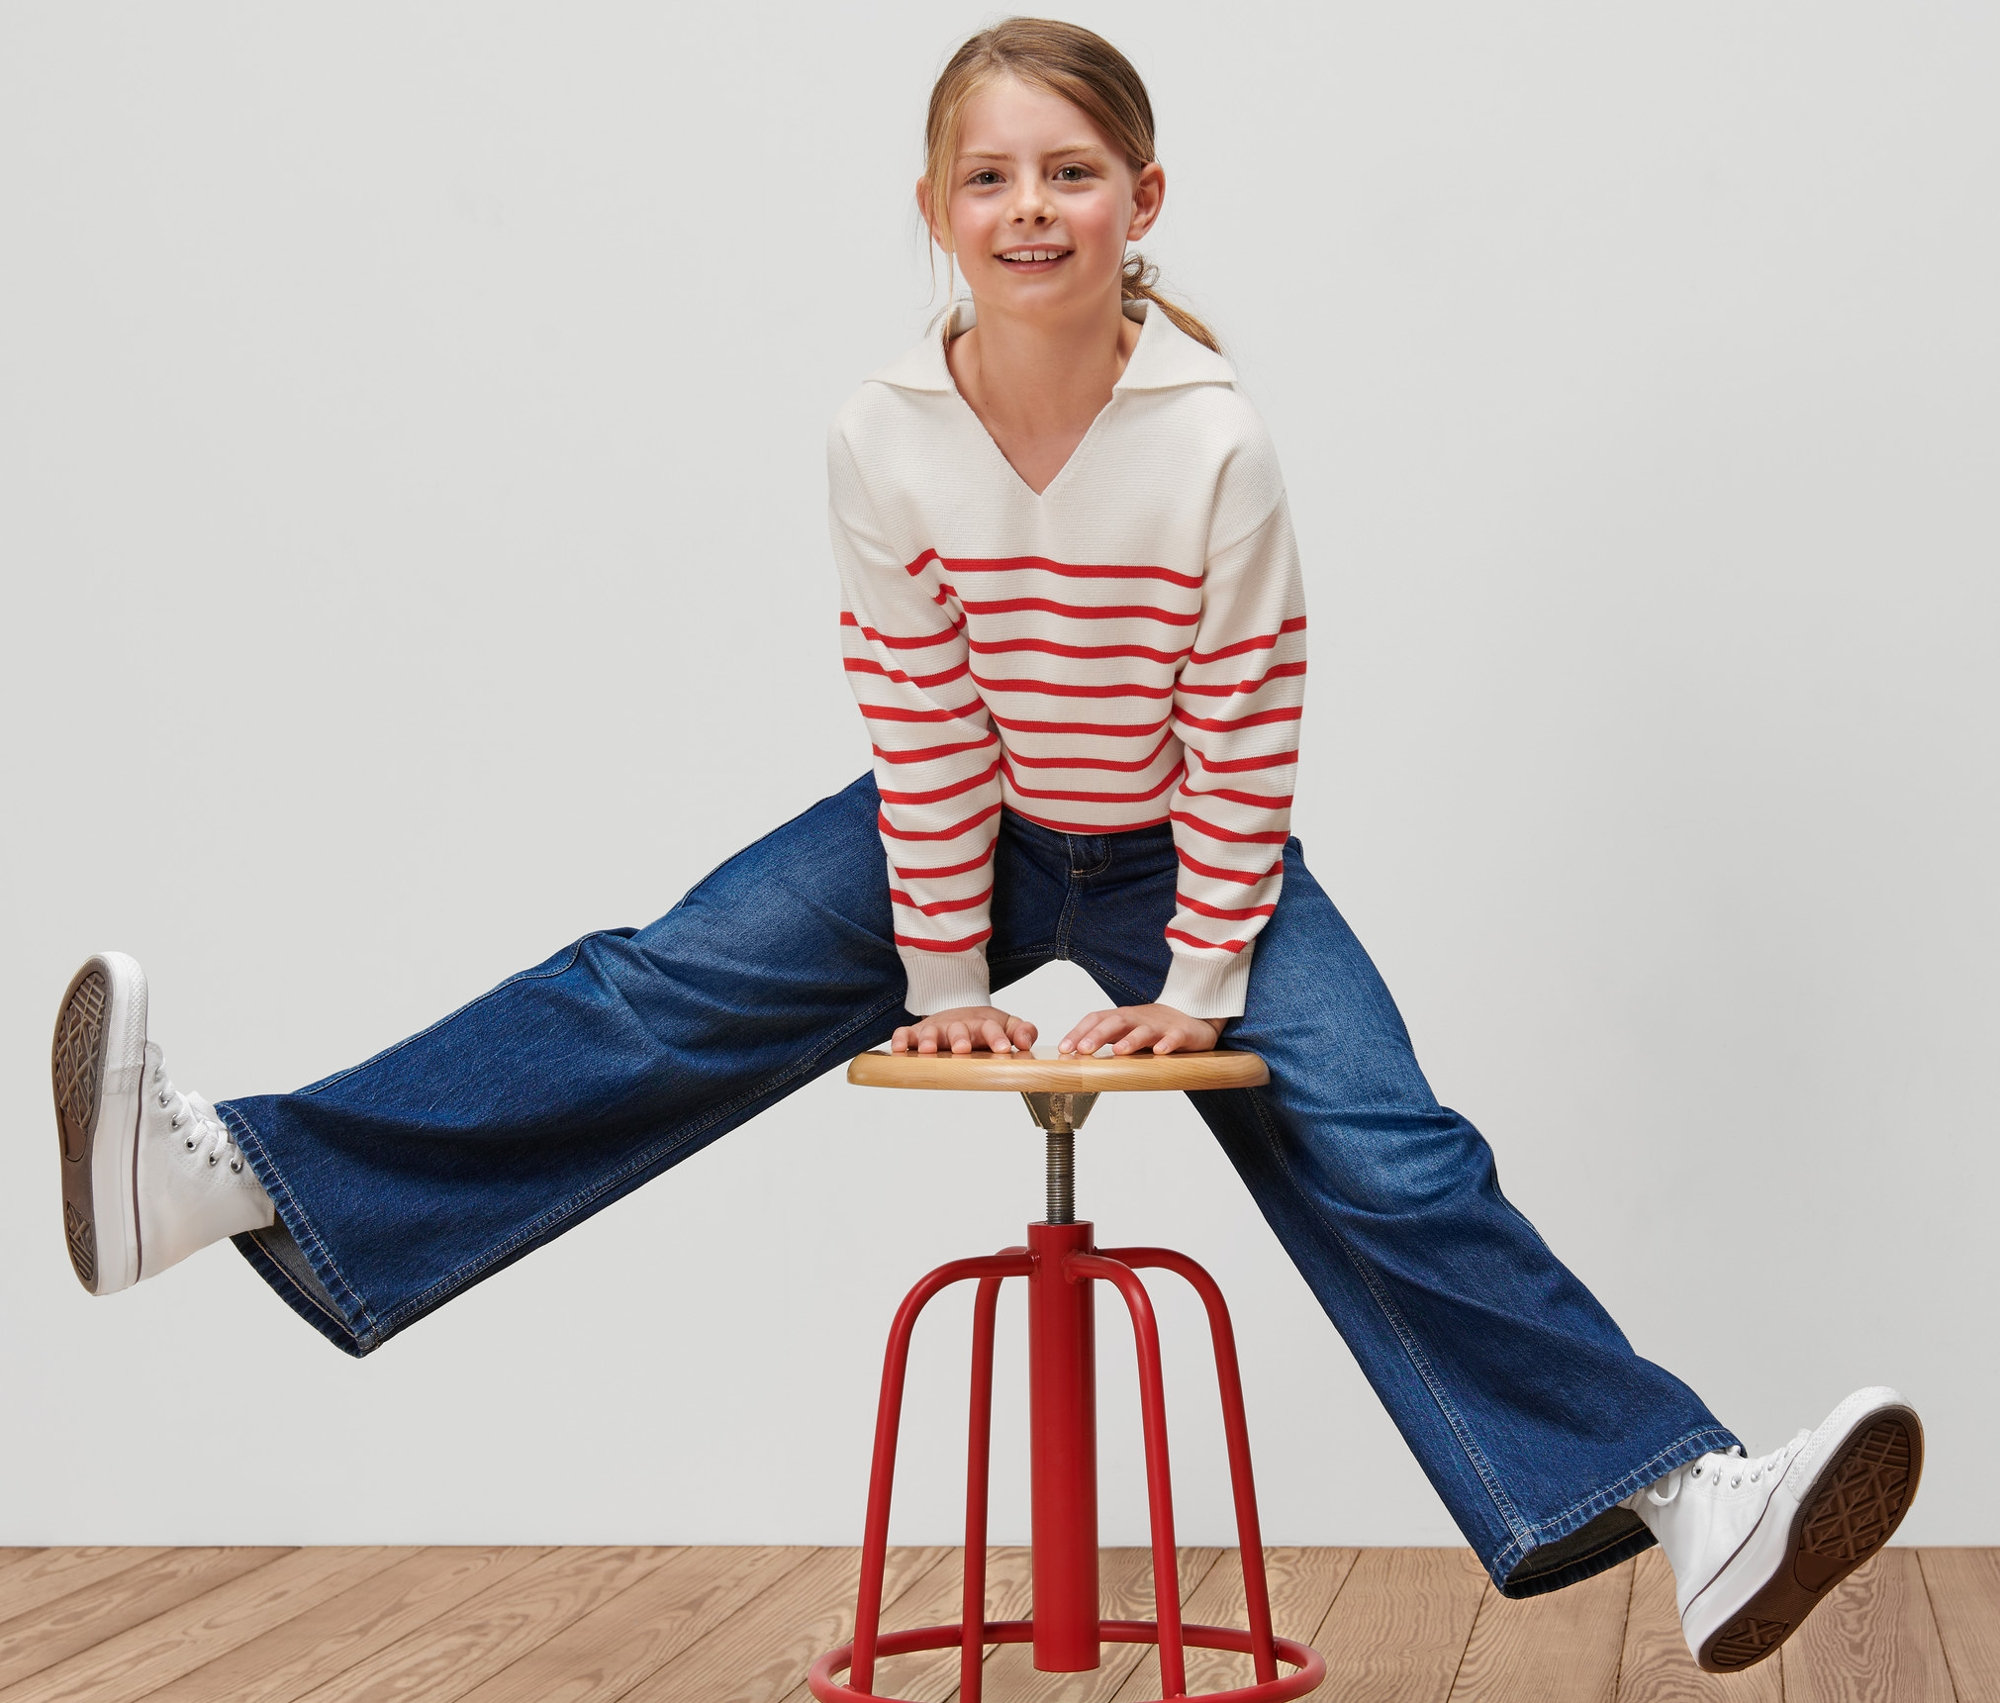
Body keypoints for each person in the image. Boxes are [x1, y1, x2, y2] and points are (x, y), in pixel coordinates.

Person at [47, 17, 1920, 1675]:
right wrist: (944, 976)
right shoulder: (884, 437)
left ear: (1144, 195)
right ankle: (232, 1181)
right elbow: (925, 721)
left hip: (1192, 844)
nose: (1033, 208)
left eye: (1073, 174)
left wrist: (1192, 984)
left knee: (1394, 1144)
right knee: (656, 987)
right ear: (935, 210)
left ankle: (1693, 1502)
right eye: (991, 177)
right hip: (976, 828)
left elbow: (1246, 732)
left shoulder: (1215, 443)